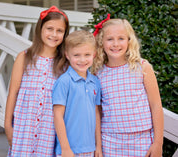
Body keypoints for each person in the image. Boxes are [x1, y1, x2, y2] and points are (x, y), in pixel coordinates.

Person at [91, 17, 164, 157]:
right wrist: (98, 145)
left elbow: (156, 105)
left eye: (121, 38)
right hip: (110, 142)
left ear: (129, 41)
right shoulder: (97, 74)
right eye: (110, 39)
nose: (115, 44)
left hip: (141, 141)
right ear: (101, 42)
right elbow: (97, 112)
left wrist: (158, 143)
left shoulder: (142, 67)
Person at [4, 6, 69, 156]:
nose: (54, 34)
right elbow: (12, 93)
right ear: (40, 29)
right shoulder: (24, 57)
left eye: (60, 31)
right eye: (49, 29)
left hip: (50, 130)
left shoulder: (65, 64)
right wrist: (8, 125)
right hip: (23, 128)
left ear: (65, 34)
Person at [52, 30, 103, 157]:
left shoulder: (95, 82)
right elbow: (57, 116)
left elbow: (96, 113)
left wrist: (98, 146)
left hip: (90, 148)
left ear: (94, 55)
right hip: (69, 150)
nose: (82, 60)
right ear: (67, 55)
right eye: (76, 55)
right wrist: (65, 149)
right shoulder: (64, 82)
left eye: (87, 55)